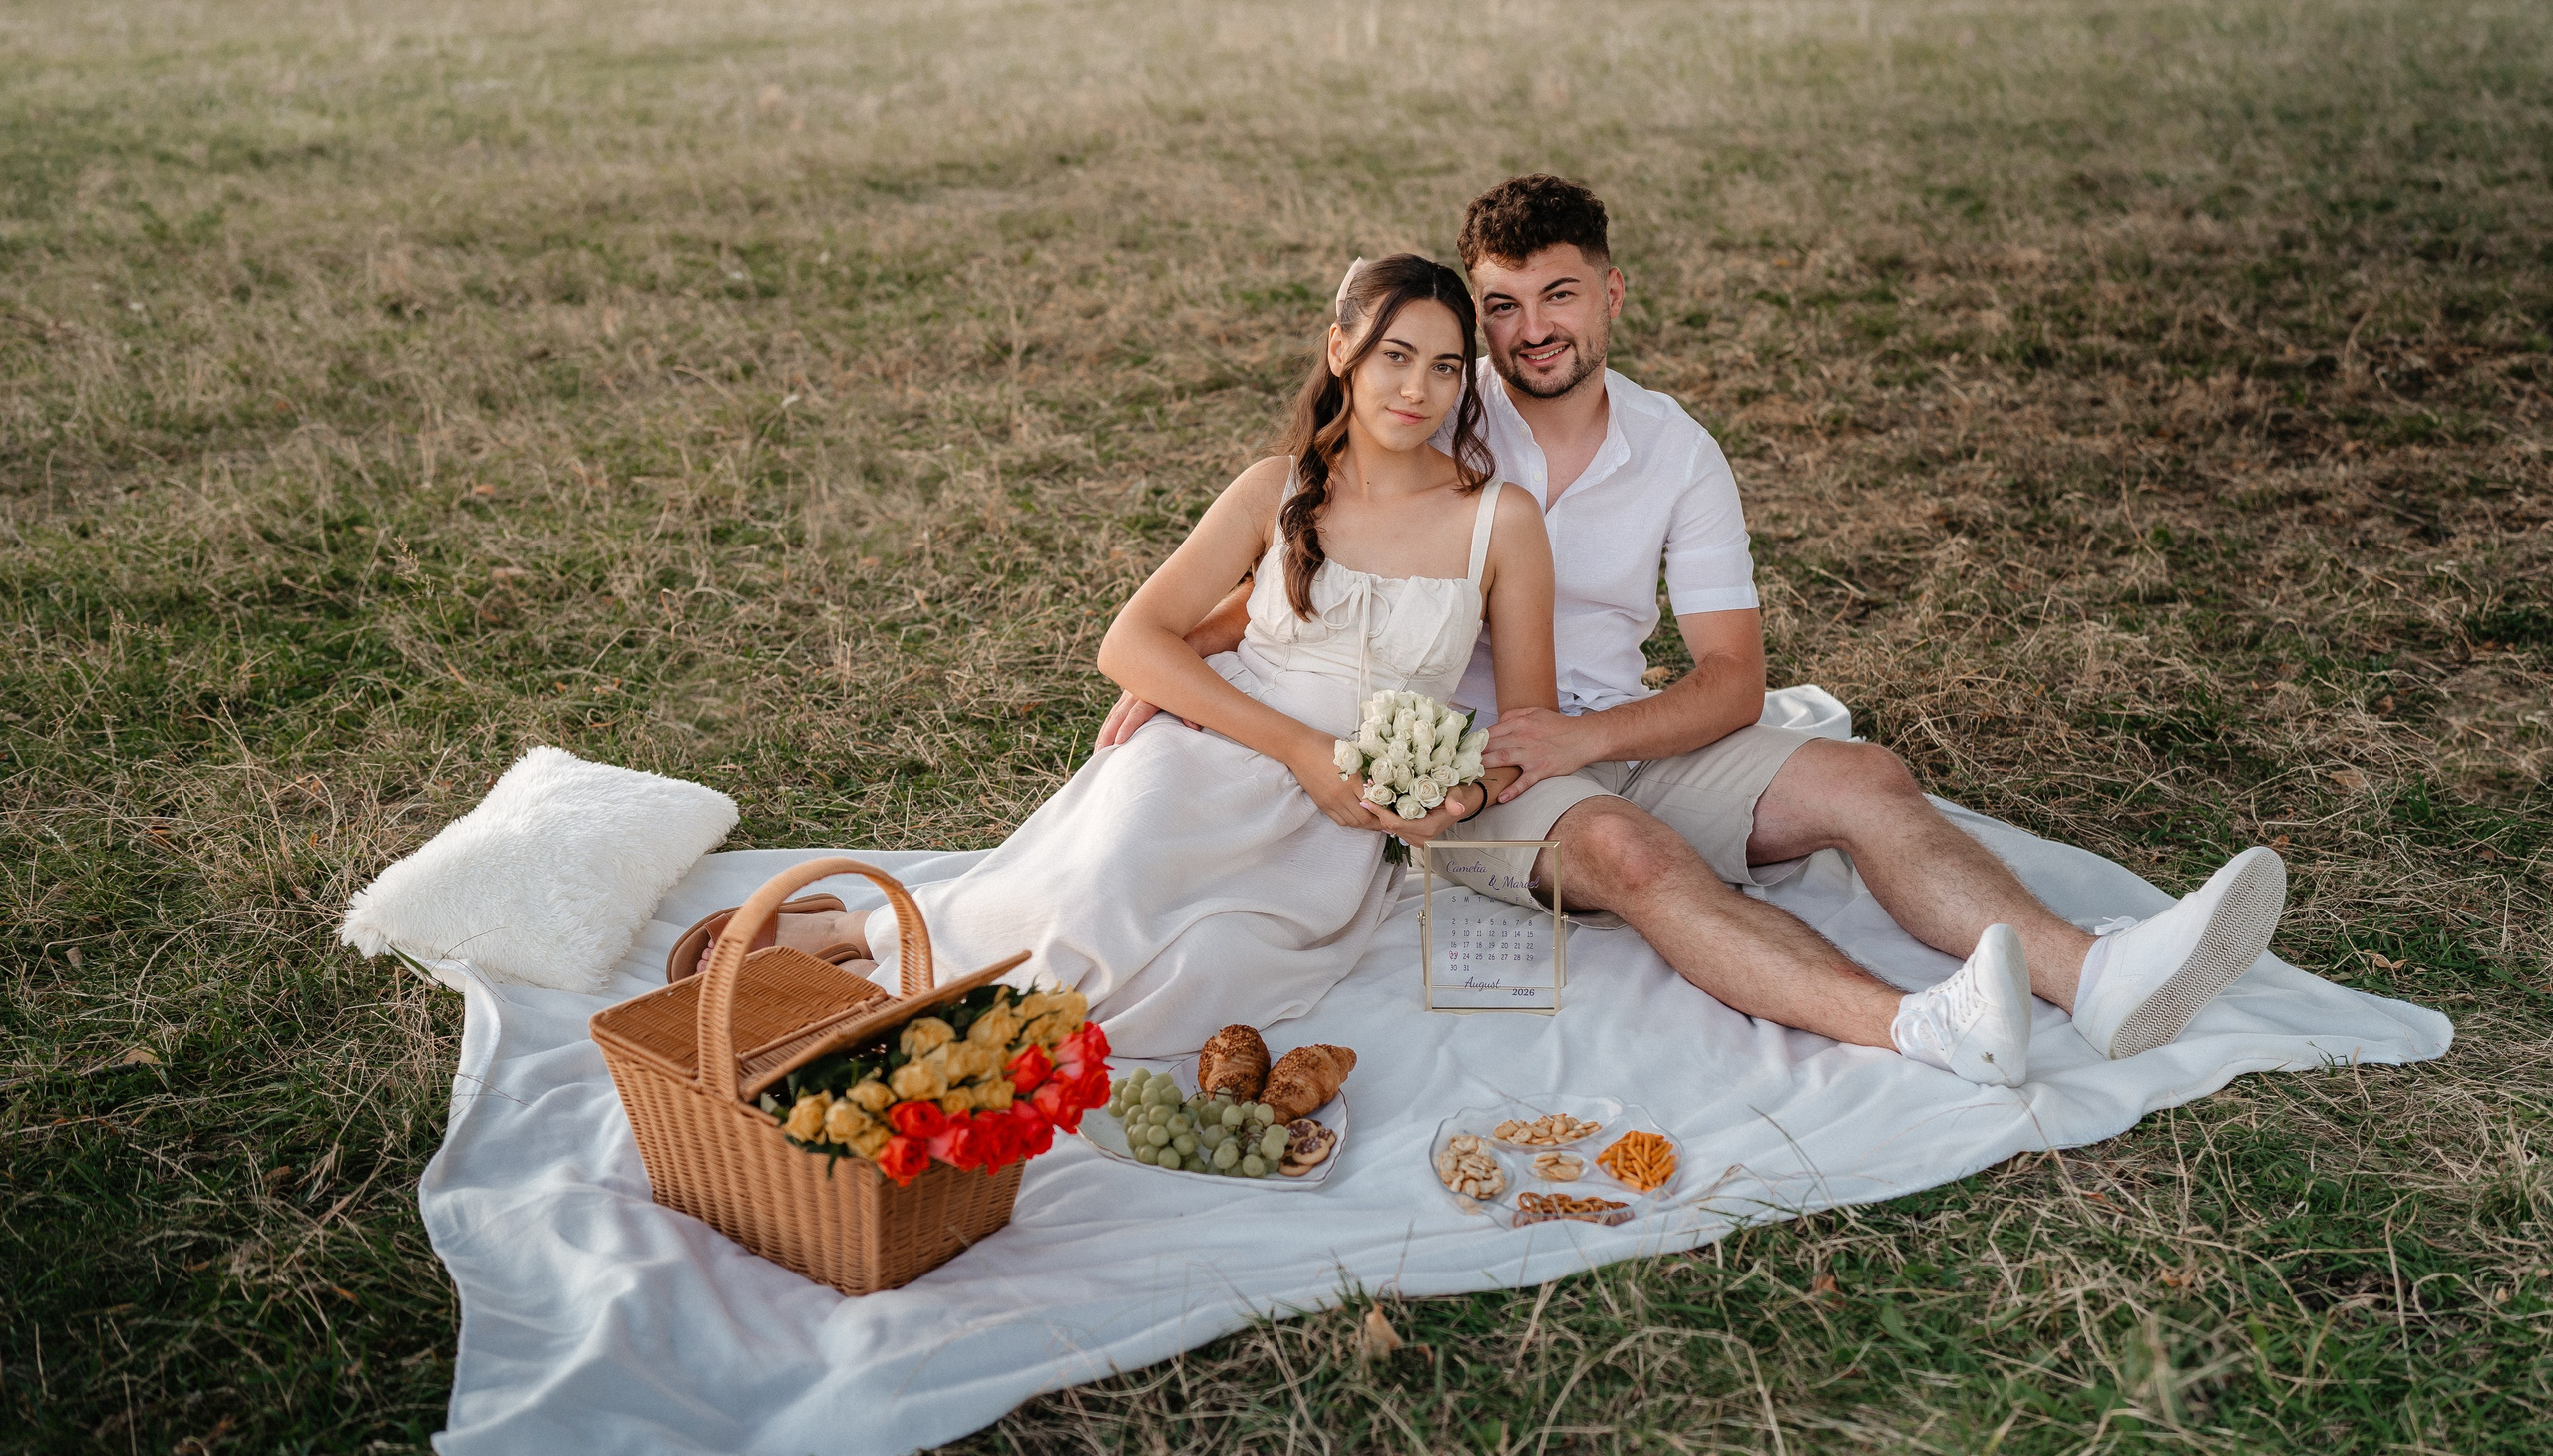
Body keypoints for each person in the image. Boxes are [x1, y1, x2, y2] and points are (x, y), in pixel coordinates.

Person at [1100, 177, 2286, 1085]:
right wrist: (1191, 667)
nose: (1531, 331)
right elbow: (1314, 568)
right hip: (1473, 763)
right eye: (1502, 307)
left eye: (1558, 294)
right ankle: (1920, 1025)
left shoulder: (1677, 452)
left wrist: (1589, 735)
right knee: (1630, 856)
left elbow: (1730, 681)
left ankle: (2099, 976)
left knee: (1866, 777)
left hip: (1618, 732)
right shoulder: (1443, 420)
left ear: (1610, 294)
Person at [692, 253, 1559, 1058]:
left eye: (1445, 367)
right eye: (1394, 356)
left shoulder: (1501, 519)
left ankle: (913, 993)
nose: (1417, 388)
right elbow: (1132, 640)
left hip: (1334, 826)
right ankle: (861, 939)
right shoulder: (1278, 487)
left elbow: (1529, 723)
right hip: (1221, 749)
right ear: (1343, 353)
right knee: (1099, 895)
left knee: (1197, 985)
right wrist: (1298, 747)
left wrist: (1457, 798)